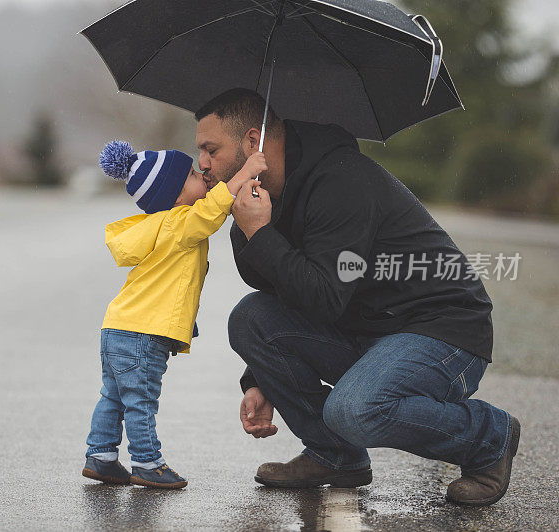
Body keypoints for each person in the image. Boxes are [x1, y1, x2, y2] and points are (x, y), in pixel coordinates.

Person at [195, 88, 519, 506]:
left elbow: (326, 297)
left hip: (441, 330)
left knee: (355, 410)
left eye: (210, 149)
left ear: (252, 141)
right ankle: (336, 455)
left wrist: (259, 232)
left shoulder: (342, 180)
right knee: (250, 319)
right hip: (369, 327)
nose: (202, 163)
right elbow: (280, 292)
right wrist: (262, 378)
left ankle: (489, 436)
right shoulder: (264, 197)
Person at [82, 139, 267, 489]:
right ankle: (147, 463)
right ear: (177, 195)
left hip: (118, 327)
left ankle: (101, 455)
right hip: (141, 333)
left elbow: (212, 207)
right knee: (141, 400)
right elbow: (212, 210)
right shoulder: (179, 223)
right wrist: (247, 170)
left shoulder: (161, 226)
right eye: (195, 175)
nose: (204, 175)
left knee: (114, 396)